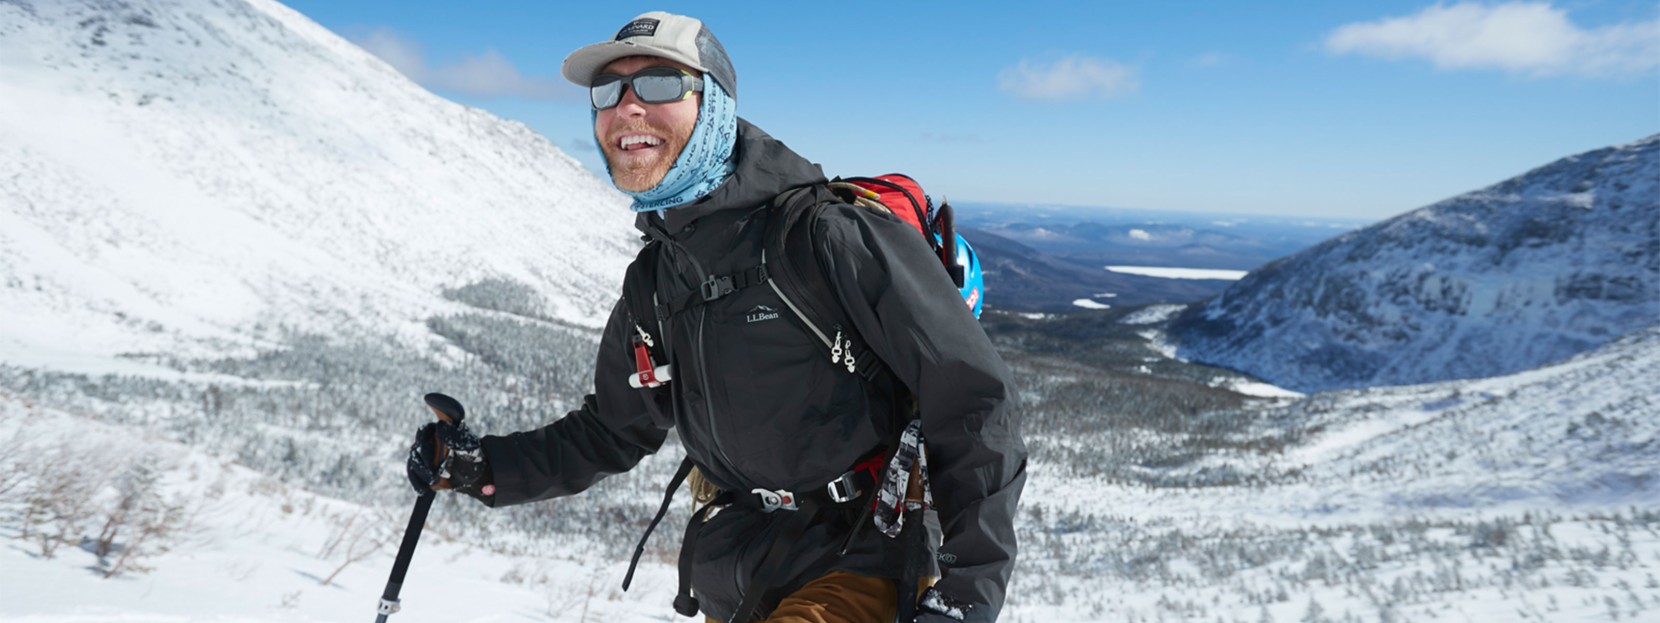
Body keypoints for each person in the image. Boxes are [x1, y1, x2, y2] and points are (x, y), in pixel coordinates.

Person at [406, 11, 1026, 623]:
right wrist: (485, 466)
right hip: (736, 572)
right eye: (608, 90)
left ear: (717, 106)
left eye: (659, 84)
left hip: (862, 559)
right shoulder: (656, 278)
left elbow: (973, 400)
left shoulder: (826, 237)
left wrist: (966, 597)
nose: (626, 107)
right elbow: (614, 430)